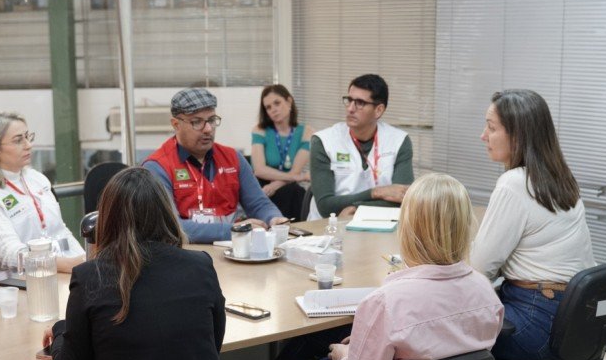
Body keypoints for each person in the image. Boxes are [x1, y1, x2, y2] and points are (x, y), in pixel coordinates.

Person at [41, 167, 236, 360]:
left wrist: (61, 331)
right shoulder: (200, 265)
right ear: (166, 213)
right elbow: (213, 344)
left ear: (107, 219)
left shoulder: (91, 276)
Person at [306, 173, 503, 360]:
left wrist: (344, 358)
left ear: (408, 228)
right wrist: (368, 344)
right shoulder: (486, 291)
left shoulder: (386, 303)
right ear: (466, 226)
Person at [471, 89, 595, 360]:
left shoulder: (513, 183)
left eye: (491, 127)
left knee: (452, 325)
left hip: (536, 322)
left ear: (518, 133)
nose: (483, 135)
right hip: (573, 322)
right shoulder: (559, 178)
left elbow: (480, 268)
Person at [144, 87, 288, 243]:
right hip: (188, 254)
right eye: (197, 122)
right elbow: (170, 227)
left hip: (234, 251)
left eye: (212, 120)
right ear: (176, 124)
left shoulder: (233, 158)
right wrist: (233, 230)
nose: (208, 129)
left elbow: (259, 204)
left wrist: (274, 219)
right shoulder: (157, 167)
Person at [0, 112, 85, 282]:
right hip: (14, 283)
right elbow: (10, 253)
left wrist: (85, 262)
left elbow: (60, 231)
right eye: (18, 140)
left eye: (28, 137)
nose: (28, 145)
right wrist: (68, 265)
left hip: (59, 274)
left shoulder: (36, 178)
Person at [308, 74, 414, 220]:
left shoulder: (399, 141)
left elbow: (403, 199)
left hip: (379, 224)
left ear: (378, 110)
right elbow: (326, 206)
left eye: (360, 103)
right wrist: (377, 193)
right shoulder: (324, 141)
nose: (350, 109)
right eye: (349, 100)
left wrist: (356, 209)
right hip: (326, 229)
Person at [251, 84, 313, 220]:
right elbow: (260, 170)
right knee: (293, 191)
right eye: (268, 107)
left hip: (286, 187)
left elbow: (295, 171)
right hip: (263, 186)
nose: (273, 110)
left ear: (289, 101)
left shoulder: (306, 132)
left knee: (295, 192)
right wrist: (300, 177)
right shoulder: (259, 130)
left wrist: (275, 185)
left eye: (277, 103)